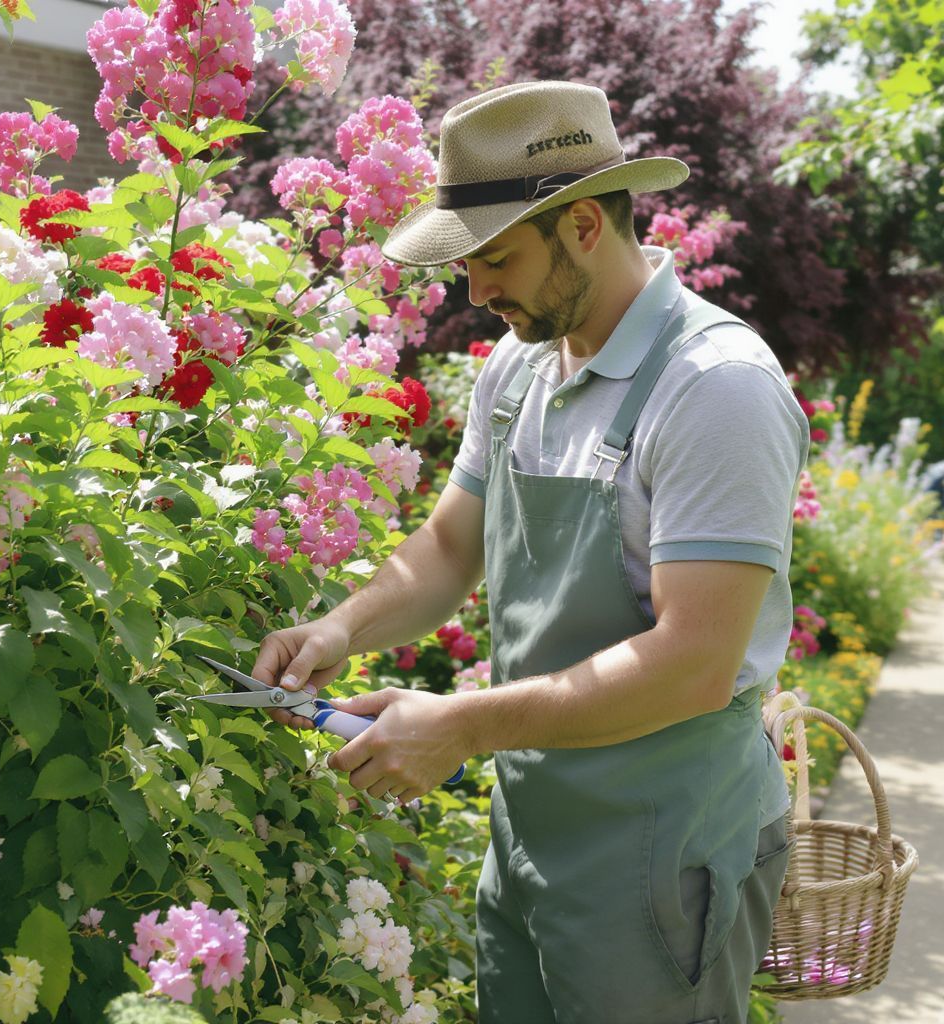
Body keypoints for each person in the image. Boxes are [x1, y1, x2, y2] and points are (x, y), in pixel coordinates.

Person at [253, 81, 809, 1024]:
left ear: (584, 224)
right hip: (530, 827)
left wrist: (462, 725)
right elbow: (448, 548)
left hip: (663, 845)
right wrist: (338, 628)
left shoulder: (715, 390)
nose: (476, 293)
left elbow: (695, 665)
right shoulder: (519, 366)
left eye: (496, 259)